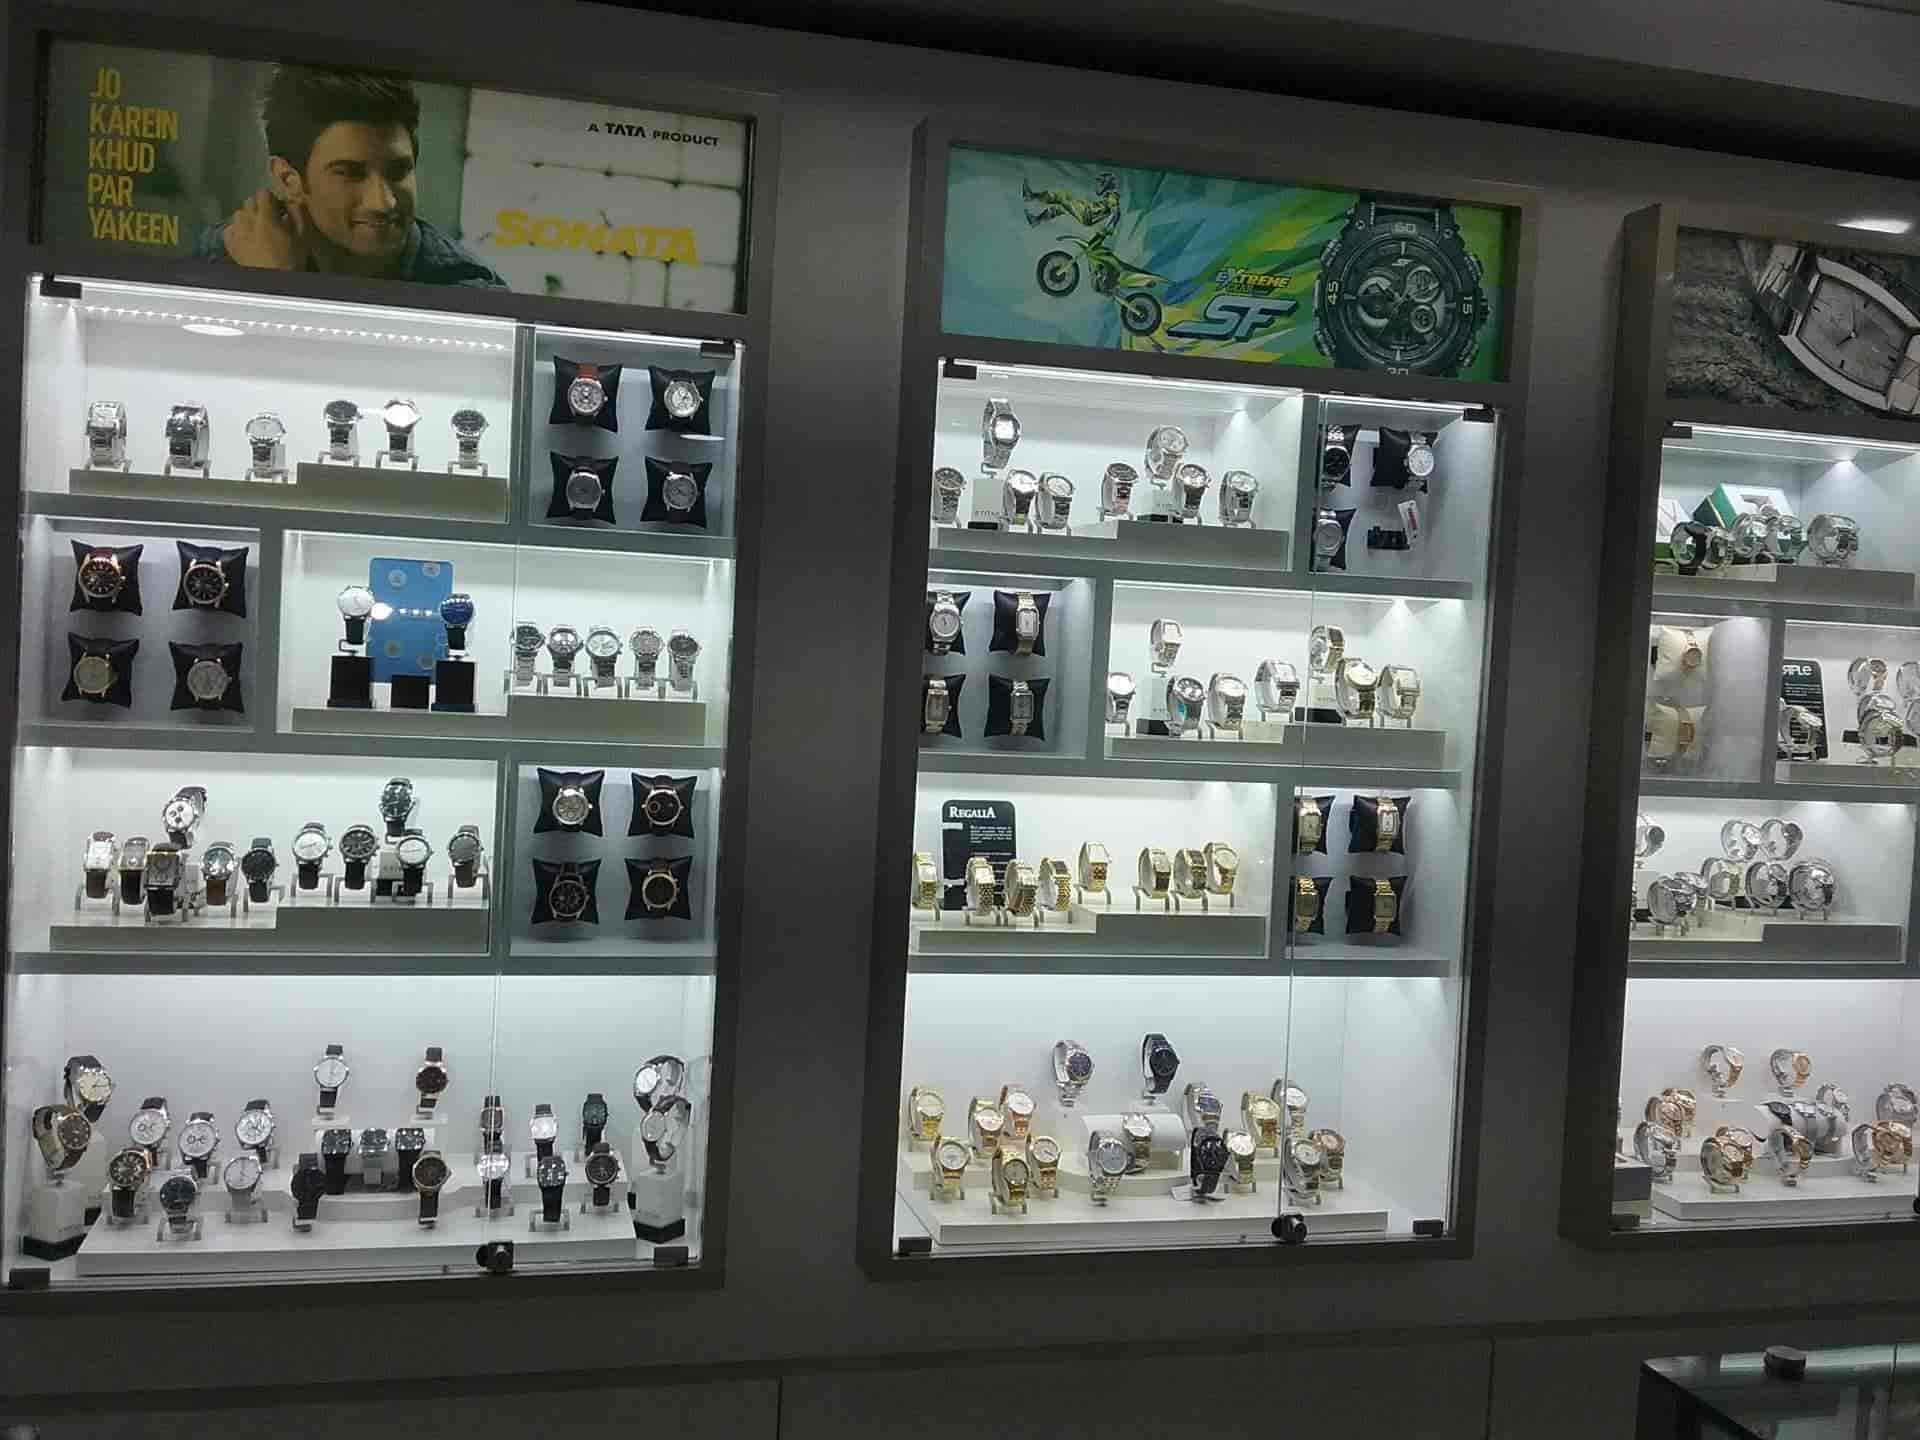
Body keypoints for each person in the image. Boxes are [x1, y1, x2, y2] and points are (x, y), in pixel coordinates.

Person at [193, 65, 505, 287]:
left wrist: (278, 288)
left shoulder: (466, 289)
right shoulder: (226, 255)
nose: (383, 202)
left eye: (398, 171)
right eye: (351, 174)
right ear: (289, 179)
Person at [1023, 170, 1123, 237]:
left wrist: (1107, 228)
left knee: (1063, 196)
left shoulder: (1112, 196)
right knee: (1060, 208)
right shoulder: (1109, 196)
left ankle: (1031, 196)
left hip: (1087, 213)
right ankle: (1036, 220)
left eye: (1101, 182)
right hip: (1087, 213)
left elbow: (1116, 213)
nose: (1099, 185)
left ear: (1107, 183)